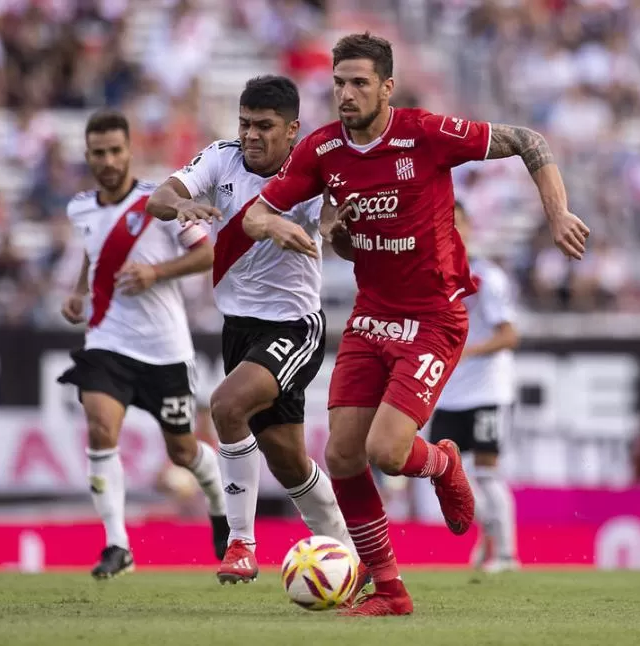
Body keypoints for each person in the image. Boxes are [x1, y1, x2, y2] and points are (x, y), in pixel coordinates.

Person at [242, 33, 590, 616]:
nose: (346, 94)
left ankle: (443, 462)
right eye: (338, 83)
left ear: (386, 87)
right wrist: (321, 232)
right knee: (344, 455)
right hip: (371, 316)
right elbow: (259, 212)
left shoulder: (426, 133)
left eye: (358, 83)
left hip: (434, 319)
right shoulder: (323, 151)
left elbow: (530, 140)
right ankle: (391, 590)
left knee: (385, 449)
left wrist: (556, 213)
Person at [146, 76, 363, 588]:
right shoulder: (220, 159)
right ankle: (356, 559)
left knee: (225, 406)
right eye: (245, 124)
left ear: (292, 131)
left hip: (295, 327)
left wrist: (338, 229)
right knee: (288, 461)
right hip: (239, 329)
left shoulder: (309, 175)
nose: (251, 135)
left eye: (264, 126)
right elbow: (159, 197)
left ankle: (240, 543)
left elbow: (337, 232)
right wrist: (181, 206)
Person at [57, 109, 228, 580]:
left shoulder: (162, 200)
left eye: (115, 150)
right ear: (88, 156)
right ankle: (117, 543)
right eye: (98, 153)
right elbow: (94, 253)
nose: (108, 160)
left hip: (165, 349)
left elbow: (208, 254)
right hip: (107, 341)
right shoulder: (81, 207)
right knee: (99, 427)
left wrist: (156, 272)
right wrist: (78, 291)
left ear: (129, 151)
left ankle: (218, 500)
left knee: (182, 451)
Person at [431, 202, 520, 573]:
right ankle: (489, 532)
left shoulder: (487, 278)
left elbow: (510, 335)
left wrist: (466, 352)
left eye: (457, 223)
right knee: (440, 472)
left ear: (468, 228)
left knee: (486, 471)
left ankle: (507, 554)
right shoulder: (430, 275)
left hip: (487, 391)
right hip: (448, 392)